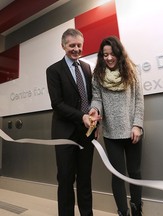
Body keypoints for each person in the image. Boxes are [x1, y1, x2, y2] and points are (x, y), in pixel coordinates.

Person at [89, 36, 144, 216]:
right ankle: (123, 212)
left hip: (132, 131)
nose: (109, 58)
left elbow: (139, 100)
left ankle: (137, 210)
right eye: (105, 55)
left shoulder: (132, 71)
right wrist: (94, 110)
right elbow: (96, 99)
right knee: (117, 175)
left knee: (135, 173)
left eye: (112, 54)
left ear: (119, 53)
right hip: (111, 133)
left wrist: (137, 125)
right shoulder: (97, 75)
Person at [46, 28, 99, 216]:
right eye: (72, 45)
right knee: (66, 179)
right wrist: (81, 116)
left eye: (79, 45)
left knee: (85, 179)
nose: (76, 49)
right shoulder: (53, 70)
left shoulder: (87, 68)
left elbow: (93, 98)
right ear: (63, 46)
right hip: (64, 133)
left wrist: (94, 121)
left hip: (86, 133)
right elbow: (57, 104)